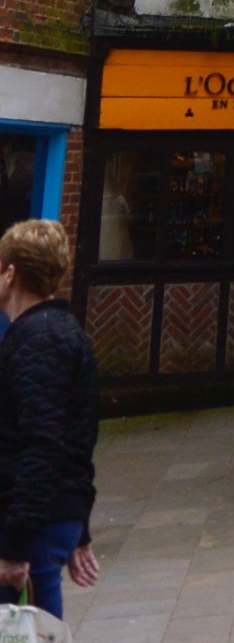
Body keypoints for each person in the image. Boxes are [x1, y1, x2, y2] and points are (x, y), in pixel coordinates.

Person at [0, 220, 101, 622]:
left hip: (33, 522)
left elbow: (43, 445)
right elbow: (77, 437)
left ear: (10, 273)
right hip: (52, 515)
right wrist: (79, 526)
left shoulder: (38, 340)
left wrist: (14, 548)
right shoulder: (60, 332)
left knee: (31, 642)